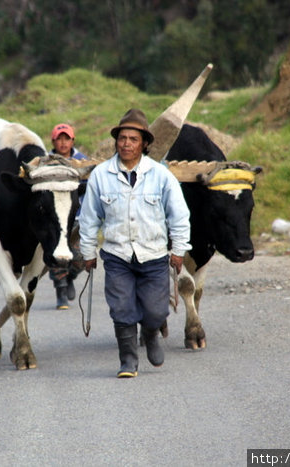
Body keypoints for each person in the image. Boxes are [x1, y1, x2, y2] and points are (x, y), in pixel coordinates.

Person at [78, 109, 191, 378]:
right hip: (117, 255)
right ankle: (128, 360)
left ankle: (151, 334)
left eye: (133, 139)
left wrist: (178, 250)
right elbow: (89, 217)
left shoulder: (161, 176)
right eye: (122, 138)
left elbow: (179, 215)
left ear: (144, 144)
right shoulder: (101, 175)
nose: (126, 143)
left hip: (153, 255)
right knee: (121, 309)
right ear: (116, 141)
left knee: (155, 311)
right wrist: (88, 251)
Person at [48, 123, 88, 310]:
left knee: (80, 257)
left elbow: (91, 187)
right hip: (55, 219)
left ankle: (70, 277)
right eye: (59, 139)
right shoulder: (45, 161)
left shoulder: (83, 161)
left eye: (66, 138)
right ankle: (61, 292)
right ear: (53, 141)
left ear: (72, 140)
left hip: (77, 218)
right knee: (58, 256)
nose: (63, 143)